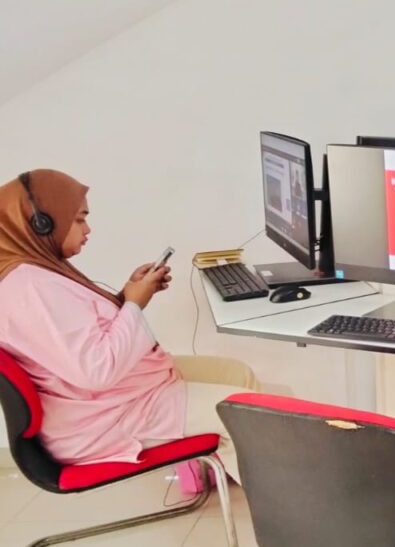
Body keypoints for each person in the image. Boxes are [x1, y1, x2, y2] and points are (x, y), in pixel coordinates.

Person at [0, 169, 259, 483]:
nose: (88, 229)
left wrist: (125, 296)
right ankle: (279, 500)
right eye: (79, 219)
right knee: (252, 416)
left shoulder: (35, 270)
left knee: (238, 375)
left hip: (118, 396)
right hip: (107, 418)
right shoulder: (31, 289)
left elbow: (78, 333)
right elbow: (97, 371)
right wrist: (135, 304)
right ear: (42, 224)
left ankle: (240, 476)